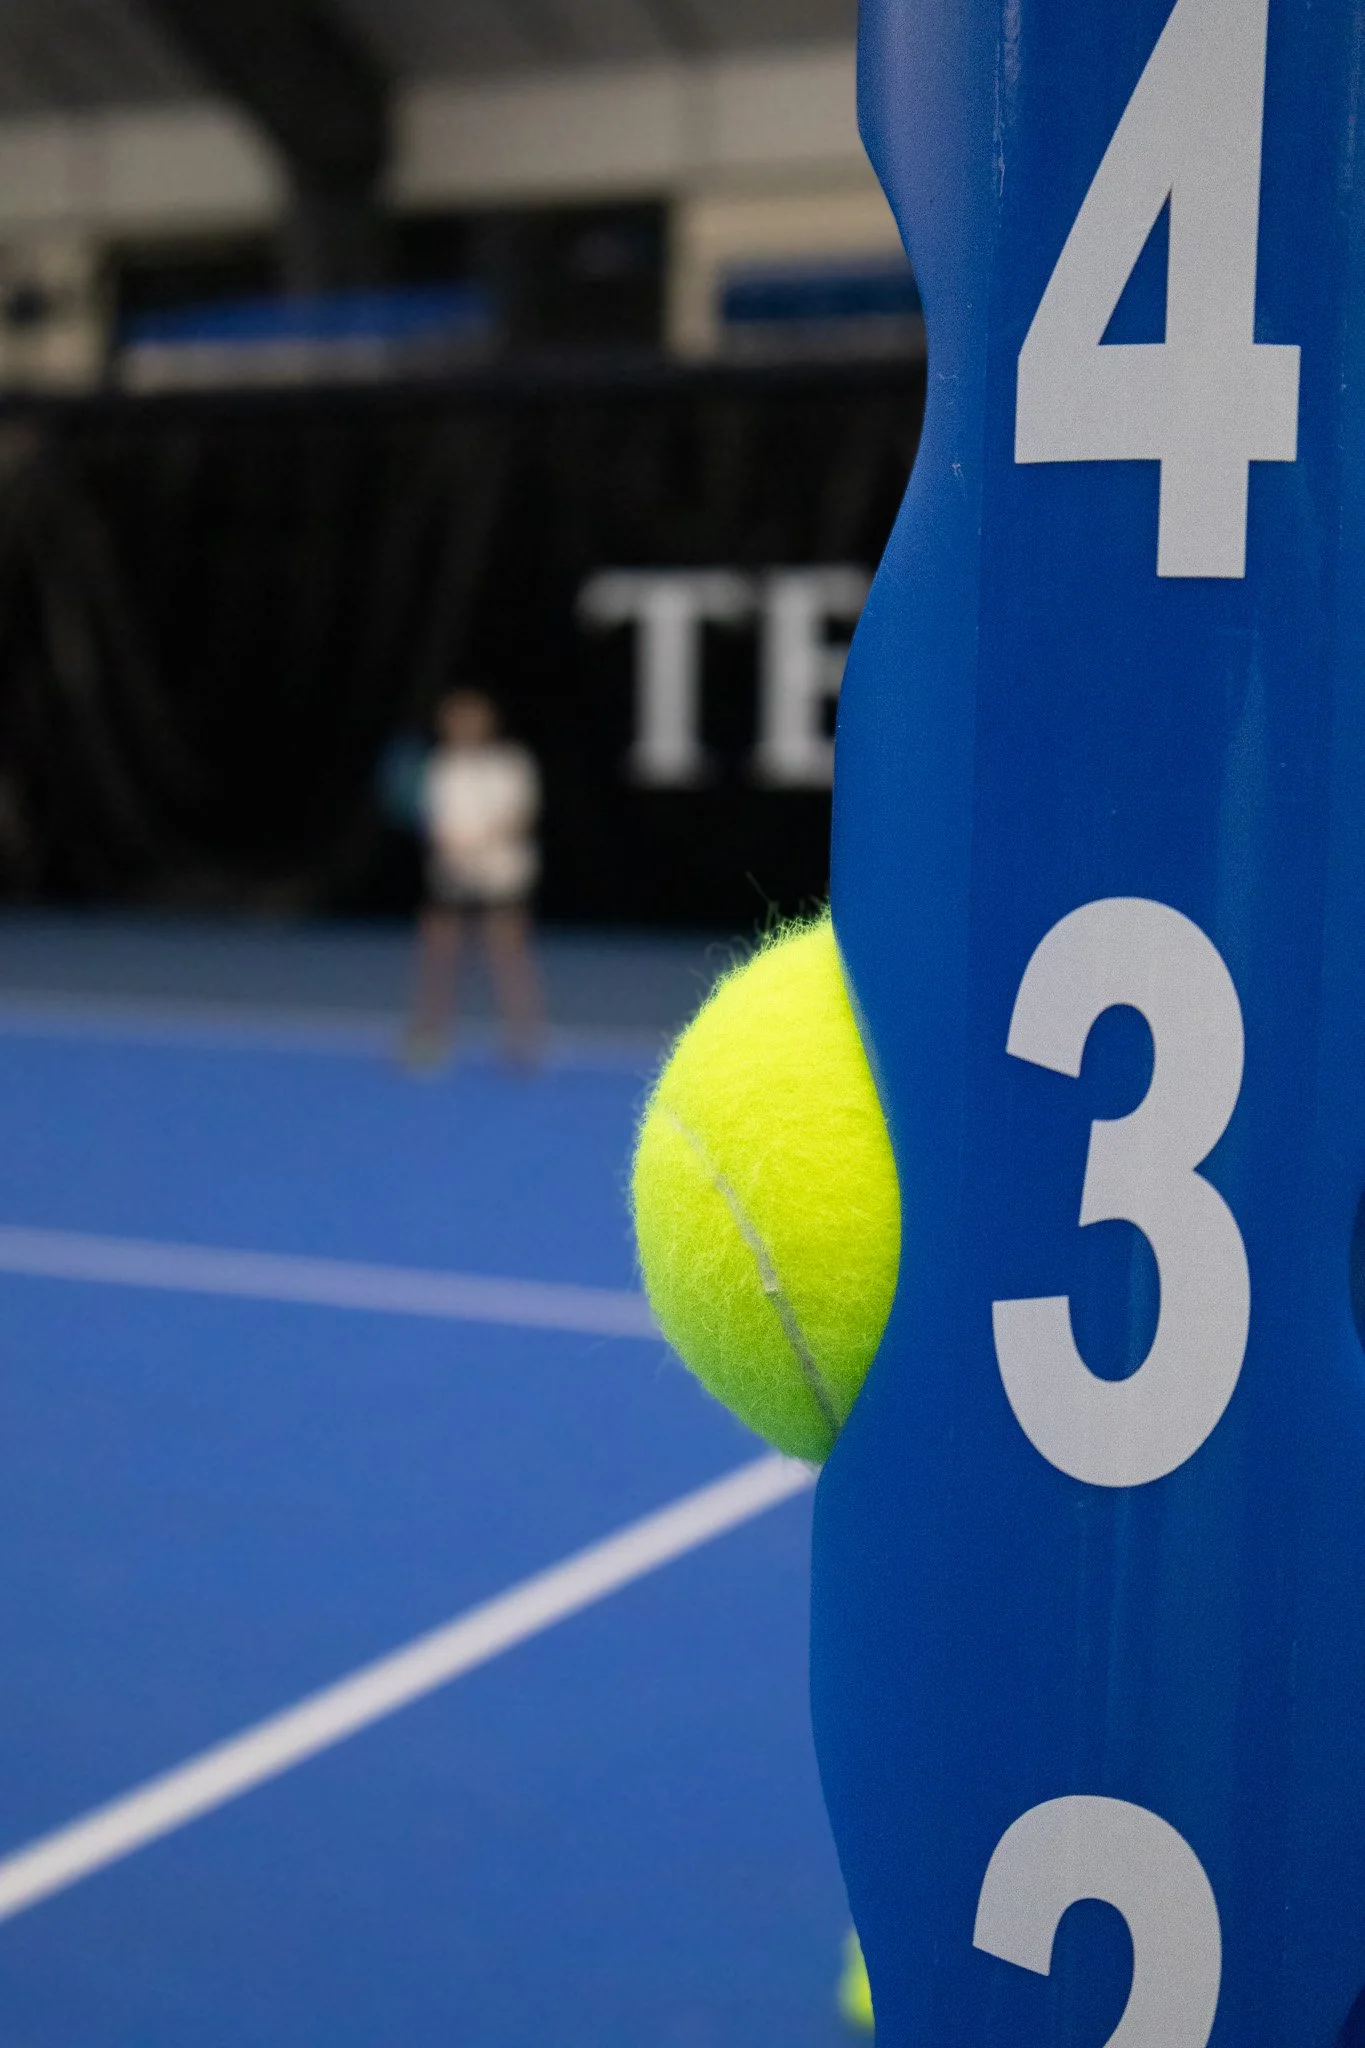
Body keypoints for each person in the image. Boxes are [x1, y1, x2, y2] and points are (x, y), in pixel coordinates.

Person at [406, 689, 543, 1068]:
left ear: (487, 723)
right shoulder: (440, 767)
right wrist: (452, 847)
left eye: (472, 719)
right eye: (456, 720)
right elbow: (433, 822)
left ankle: (523, 1040)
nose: (465, 727)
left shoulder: (512, 764)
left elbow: (521, 816)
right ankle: (430, 1036)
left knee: (507, 956)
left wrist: (482, 843)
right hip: (451, 876)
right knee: (439, 956)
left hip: (502, 877)